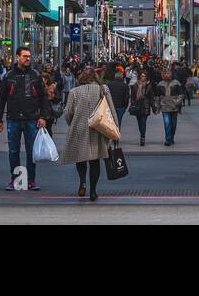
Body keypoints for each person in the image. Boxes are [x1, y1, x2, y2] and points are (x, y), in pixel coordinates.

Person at [0, 46, 49, 191]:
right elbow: (1, 99)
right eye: (25, 56)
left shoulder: (35, 75)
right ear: (17, 57)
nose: (28, 59)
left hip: (32, 118)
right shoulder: (9, 76)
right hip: (14, 118)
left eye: (29, 56)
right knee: (13, 151)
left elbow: (44, 97)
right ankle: (16, 180)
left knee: (32, 151)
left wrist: (43, 117)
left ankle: (31, 180)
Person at [59, 67, 117, 202]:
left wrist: (72, 123)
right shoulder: (103, 89)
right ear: (96, 77)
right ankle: (93, 191)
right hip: (98, 129)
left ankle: (82, 182)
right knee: (95, 160)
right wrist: (115, 131)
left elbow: (67, 113)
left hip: (79, 128)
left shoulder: (74, 92)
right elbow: (111, 110)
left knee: (81, 158)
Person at [153, 67, 186, 145]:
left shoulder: (176, 83)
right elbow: (157, 96)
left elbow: (181, 94)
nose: (167, 75)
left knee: (173, 124)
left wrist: (177, 102)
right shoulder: (160, 84)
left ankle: (171, 137)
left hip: (174, 107)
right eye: (165, 73)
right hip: (164, 106)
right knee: (167, 123)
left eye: (168, 73)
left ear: (171, 74)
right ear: (163, 75)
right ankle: (168, 139)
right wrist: (158, 106)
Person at [129, 69, 154, 146]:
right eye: (142, 76)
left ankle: (142, 137)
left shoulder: (148, 86)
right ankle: (142, 134)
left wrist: (154, 108)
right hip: (137, 106)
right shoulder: (135, 85)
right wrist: (132, 104)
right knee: (139, 123)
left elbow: (151, 98)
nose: (143, 77)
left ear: (146, 77)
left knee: (143, 123)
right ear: (139, 76)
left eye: (145, 76)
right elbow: (132, 96)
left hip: (145, 106)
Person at [105, 65, 131, 130]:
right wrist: (125, 106)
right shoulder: (125, 86)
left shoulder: (109, 85)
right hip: (121, 106)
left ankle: (113, 133)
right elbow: (126, 97)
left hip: (111, 106)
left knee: (112, 121)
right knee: (119, 121)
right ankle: (117, 134)